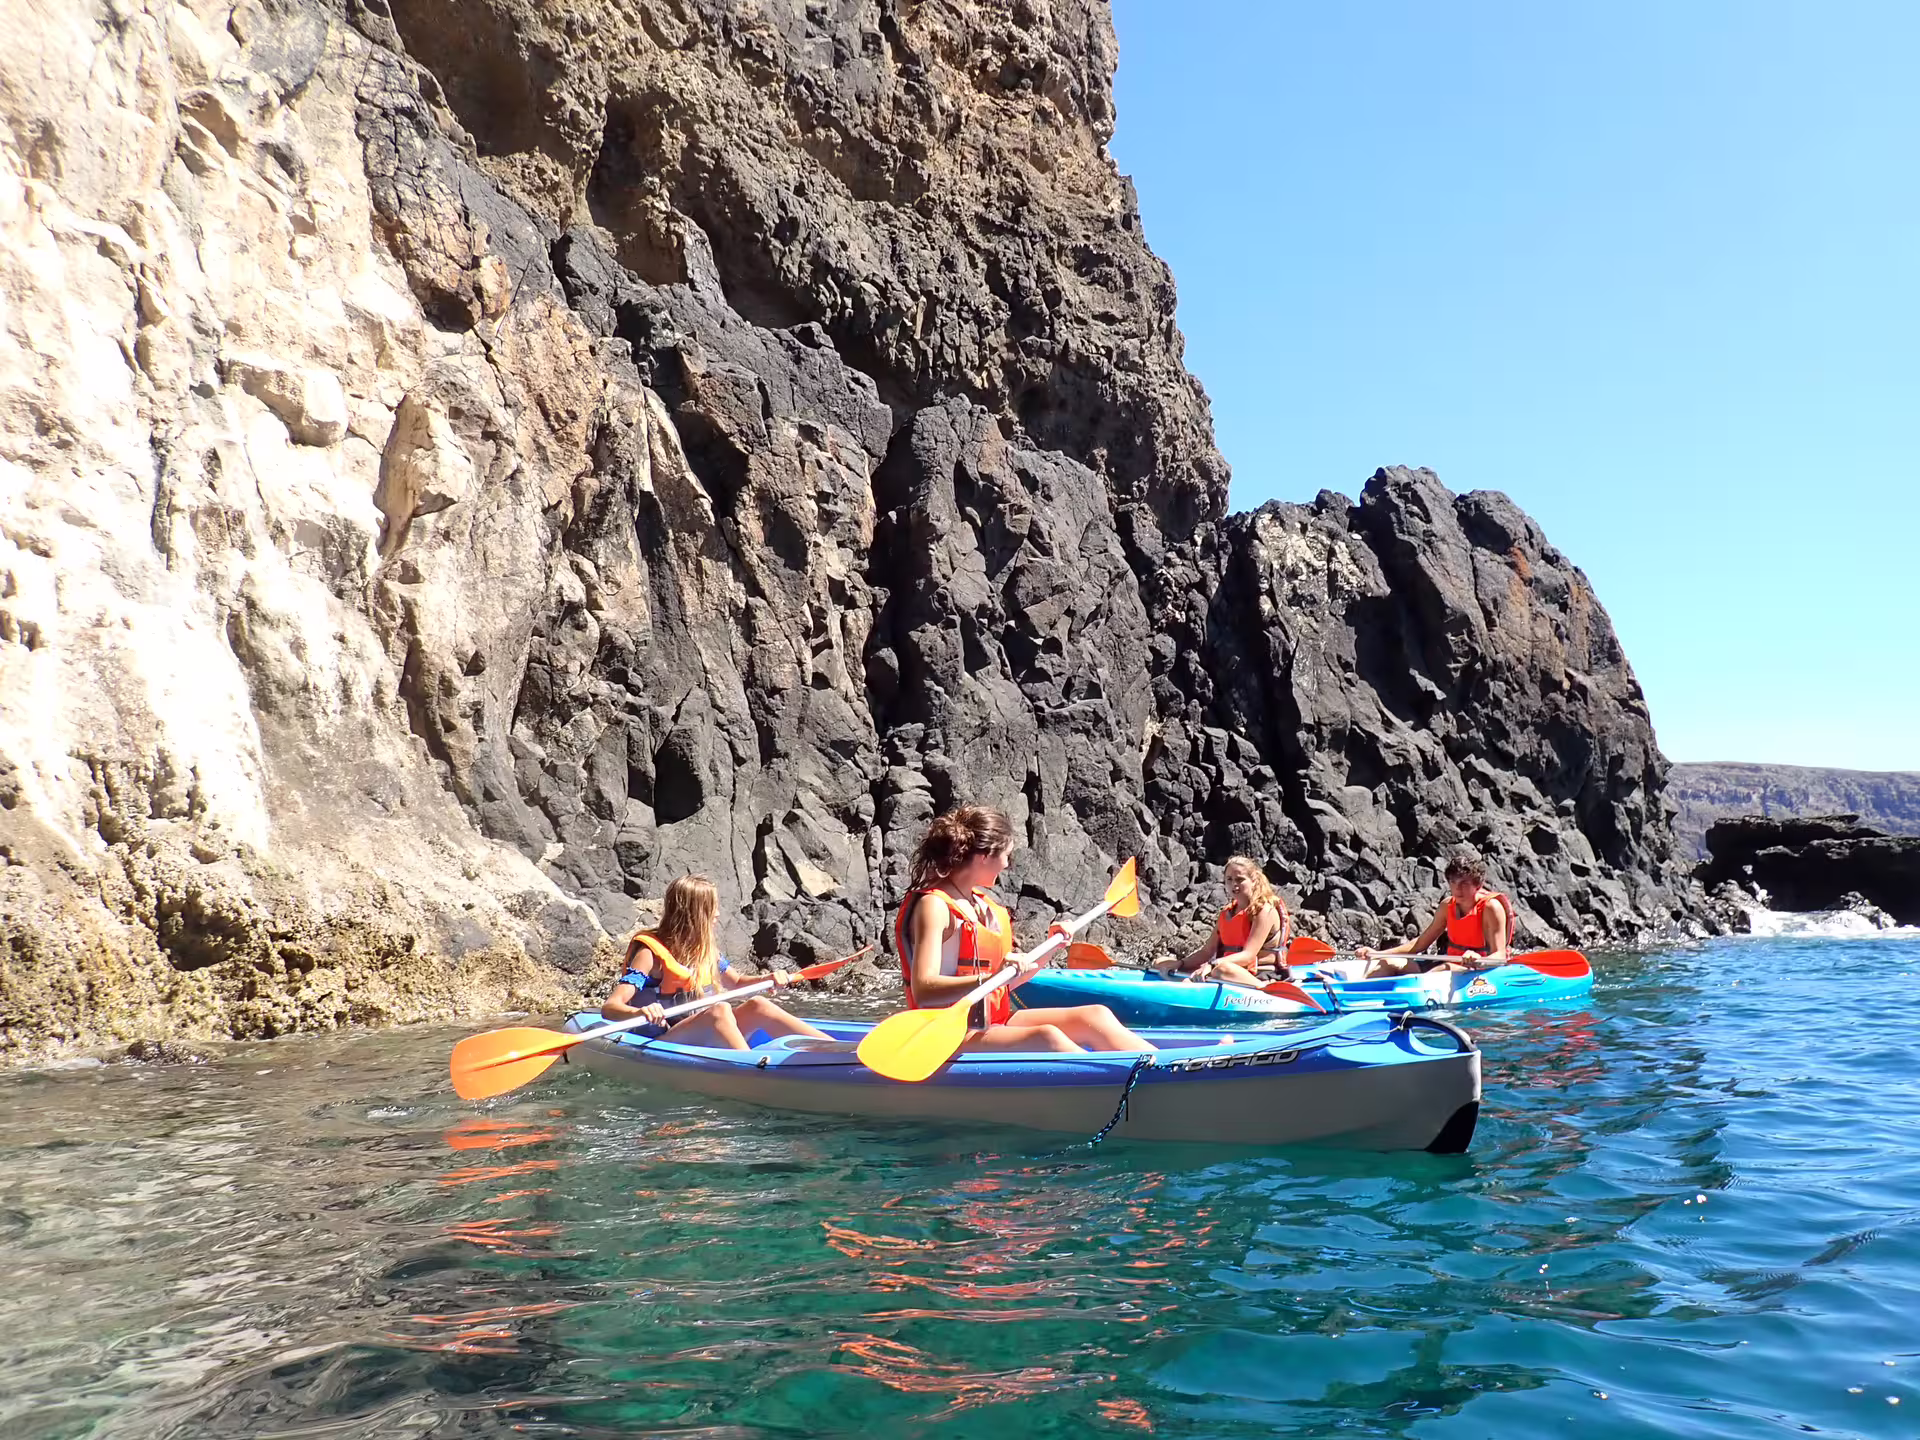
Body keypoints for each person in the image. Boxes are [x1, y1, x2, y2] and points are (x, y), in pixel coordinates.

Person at [896, 805, 1153, 1054]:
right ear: (985, 856)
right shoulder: (935, 906)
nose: (1007, 864)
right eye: (1006, 855)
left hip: (988, 1023)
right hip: (946, 1033)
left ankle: (1166, 1069)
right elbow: (924, 989)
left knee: (1095, 1015)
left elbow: (1006, 983)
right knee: (1047, 1037)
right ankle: (1117, 1087)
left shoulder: (981, 906)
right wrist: (988, 978)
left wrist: (1053, 947)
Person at [601, 874, 831, 1049]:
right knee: (719, 1010)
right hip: (659, 1040)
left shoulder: (704, 950)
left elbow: (738, 982)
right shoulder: (650, 954)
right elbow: (610, 1008)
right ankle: (751, 1072)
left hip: (692, 1032)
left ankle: (836, 1052)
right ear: (693, 914)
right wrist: (640, 1012)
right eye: (712, 908)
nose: (718, 914)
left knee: (758, 1005)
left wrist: (769, 978)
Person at [1357, 852, 1513, 977]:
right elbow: (1420, 944)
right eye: (1453, 882)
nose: (1457, 889)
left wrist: (1479, 960)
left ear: (1477, 885)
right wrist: (1377, 954)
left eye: (1464, 883)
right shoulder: (1447, 906)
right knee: (1388, 963)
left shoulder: (1491, 907)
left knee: (1443, 969)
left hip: (1479, 970)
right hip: (1449, 963)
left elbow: (1499, 955)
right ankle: (1358, 999)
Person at [1152, 856, 1292, 985]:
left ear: (1253, 880)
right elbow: (1207, 951)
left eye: (1240, 879)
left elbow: (1248, 956)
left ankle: (1263, 989)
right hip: (1226, 970)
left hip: (1259, 975)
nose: (1234, 885)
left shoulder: (1264, 911)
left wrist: (1212, 965)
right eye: (1229, 879)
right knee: (1161, 962)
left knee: (1221, 969)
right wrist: (1180, 964)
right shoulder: (1227, 913)